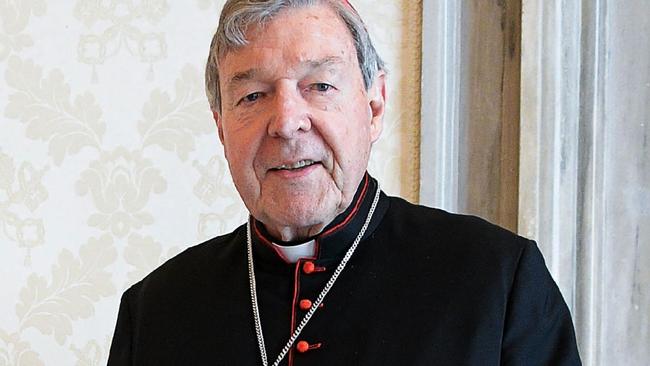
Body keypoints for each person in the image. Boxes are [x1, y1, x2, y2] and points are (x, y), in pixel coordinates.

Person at [107, 0, 582, 365]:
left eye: (320, 86)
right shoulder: (154, 312)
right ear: (221, 127)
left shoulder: (499, 282)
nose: (287, 122)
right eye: (253, 95)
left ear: (374, 107)